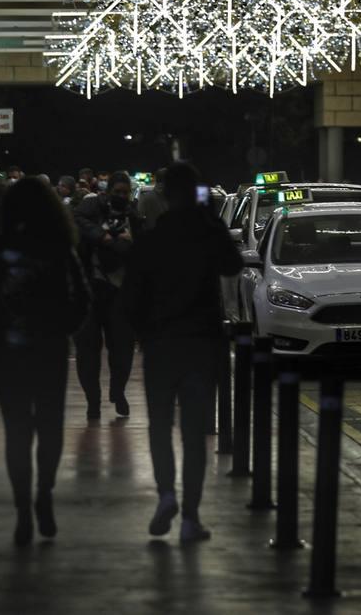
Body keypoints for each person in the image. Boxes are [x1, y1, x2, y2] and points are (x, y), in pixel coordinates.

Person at [0, 178, 90, 546]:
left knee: (17, 428)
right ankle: (44, 494)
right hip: (48, 348)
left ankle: (22, 511)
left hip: (3, 353)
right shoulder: (59, 249)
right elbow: (80, 297)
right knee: (50, 425)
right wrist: (61, 328)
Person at [121, 162, 242, 542]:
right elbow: (233, 264)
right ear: (195, 193)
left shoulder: (152, 239)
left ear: (164, 195)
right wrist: (213, 222)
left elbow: (131, 298)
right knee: (194, 432)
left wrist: (145, 332)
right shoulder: (207, 232)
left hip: (160, 346)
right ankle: (190, 516)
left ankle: (166, 495)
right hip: (200, 344)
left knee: (159, 425)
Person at [73, 171, 141, 419]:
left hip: (120, 294)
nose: (122, 197)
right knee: (87, 352)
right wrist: (105, 237)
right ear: (107, 191)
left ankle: (118, 390)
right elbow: (78, 218)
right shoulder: (92, 206)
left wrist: (126, 243)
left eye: (126, 193)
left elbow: (139, 249)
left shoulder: (133, 216)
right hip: (90, 291)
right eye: (118, 192)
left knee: (122, 350)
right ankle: (93, 401)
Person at [136, 167, 169, 232]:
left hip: (151, 237)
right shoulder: (173, 197)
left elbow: (139, 218)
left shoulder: (145, 197)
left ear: (156, 179)